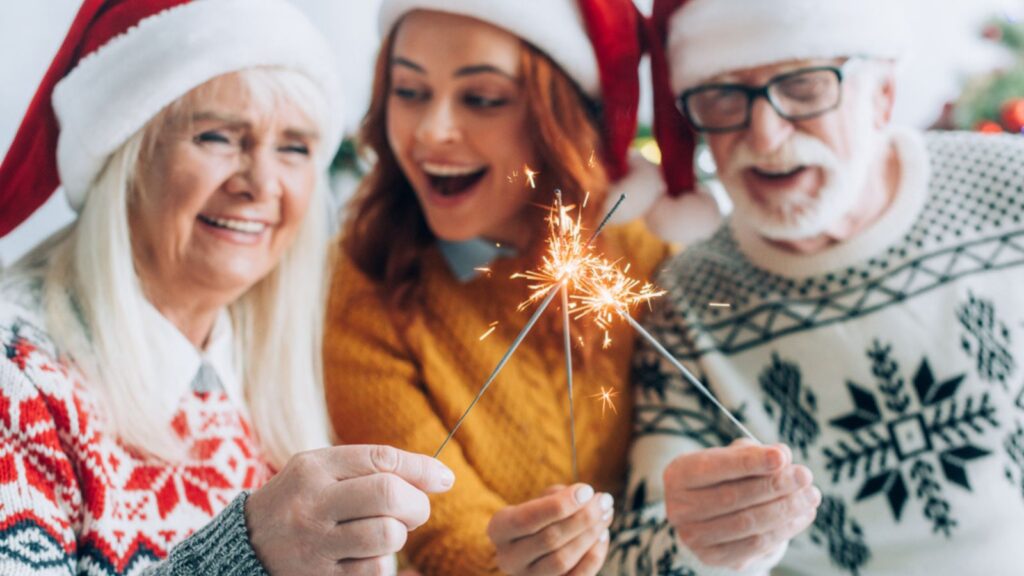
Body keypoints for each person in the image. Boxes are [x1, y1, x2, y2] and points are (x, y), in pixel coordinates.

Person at [0, 1, 452, 574]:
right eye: (217, 137)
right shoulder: (17, 378)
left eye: (294, 148)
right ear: (127, 158)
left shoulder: (275, 373)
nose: (262, 183)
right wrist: (246, 553)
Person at [607, 0, 1024, 575]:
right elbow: (636, 552)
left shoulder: (1012, 188)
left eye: (803, 87)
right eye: (723, 96)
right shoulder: (686, 300)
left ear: (882, 97)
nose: (765, 132)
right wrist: (701, 543)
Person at [322, 0, 686, 573]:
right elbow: (437, 529)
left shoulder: (650, 256)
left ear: (560, 112)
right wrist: (508, 564)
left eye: (483, 99)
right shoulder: (368, 282)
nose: (431, 131)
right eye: (409, 92)